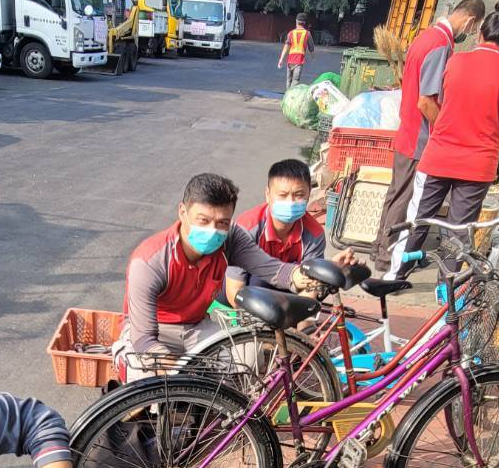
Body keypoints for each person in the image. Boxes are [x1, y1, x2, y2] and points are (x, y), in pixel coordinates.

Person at [114, 172, 339, 379]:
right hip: (154, 331)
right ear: (183, 212)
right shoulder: (149, 260)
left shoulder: (230, 238)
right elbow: (144, 339)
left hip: (196, 326)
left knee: (249, 357)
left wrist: (311, 275)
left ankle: (226, 416)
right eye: (203, 220)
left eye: (222, 222)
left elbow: (274, 270)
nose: (214, 230)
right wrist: (176, 370)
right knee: (148, 373)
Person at [384, 2, 499, 279]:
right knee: (458, 229)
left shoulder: (455, 61)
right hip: (478, 164)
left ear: (480, 34)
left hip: (439, 155)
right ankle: (444, 288)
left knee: (418, 219)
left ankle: (395, 275)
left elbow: (437, 102)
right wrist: (485, 128)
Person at [371, 0, 486, 270]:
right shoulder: (440, 45)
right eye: (474, 27)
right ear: (471, 21)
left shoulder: (426, 38)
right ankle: (389, 259)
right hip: (419, 138)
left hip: (408, 131)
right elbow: (426, 101)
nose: (470, 33)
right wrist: (445, 129)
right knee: (407, 201)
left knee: (396, 195)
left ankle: (380, 250)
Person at [228, 158, 327, 289]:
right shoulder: (246, 227)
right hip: (249, 289)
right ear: (268, 195)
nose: (290, 202)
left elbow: (310, 288)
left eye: (299, 195)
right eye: (283, 195)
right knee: (257, 281)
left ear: (309, 194)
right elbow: (234, 288)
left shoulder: (315, 234)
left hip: (290, 290)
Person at [277, 13, 314, 89]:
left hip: (290, 60)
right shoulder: (307, 34)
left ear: (296, 21)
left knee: (289, 80)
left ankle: (287, 95)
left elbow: (286, 46)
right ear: (304, 23)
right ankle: (291, 95)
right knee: (295, 80)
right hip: (299, 61)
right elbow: (311, 48)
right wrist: (312, 57)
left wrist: (281, 59)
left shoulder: (291, 33)